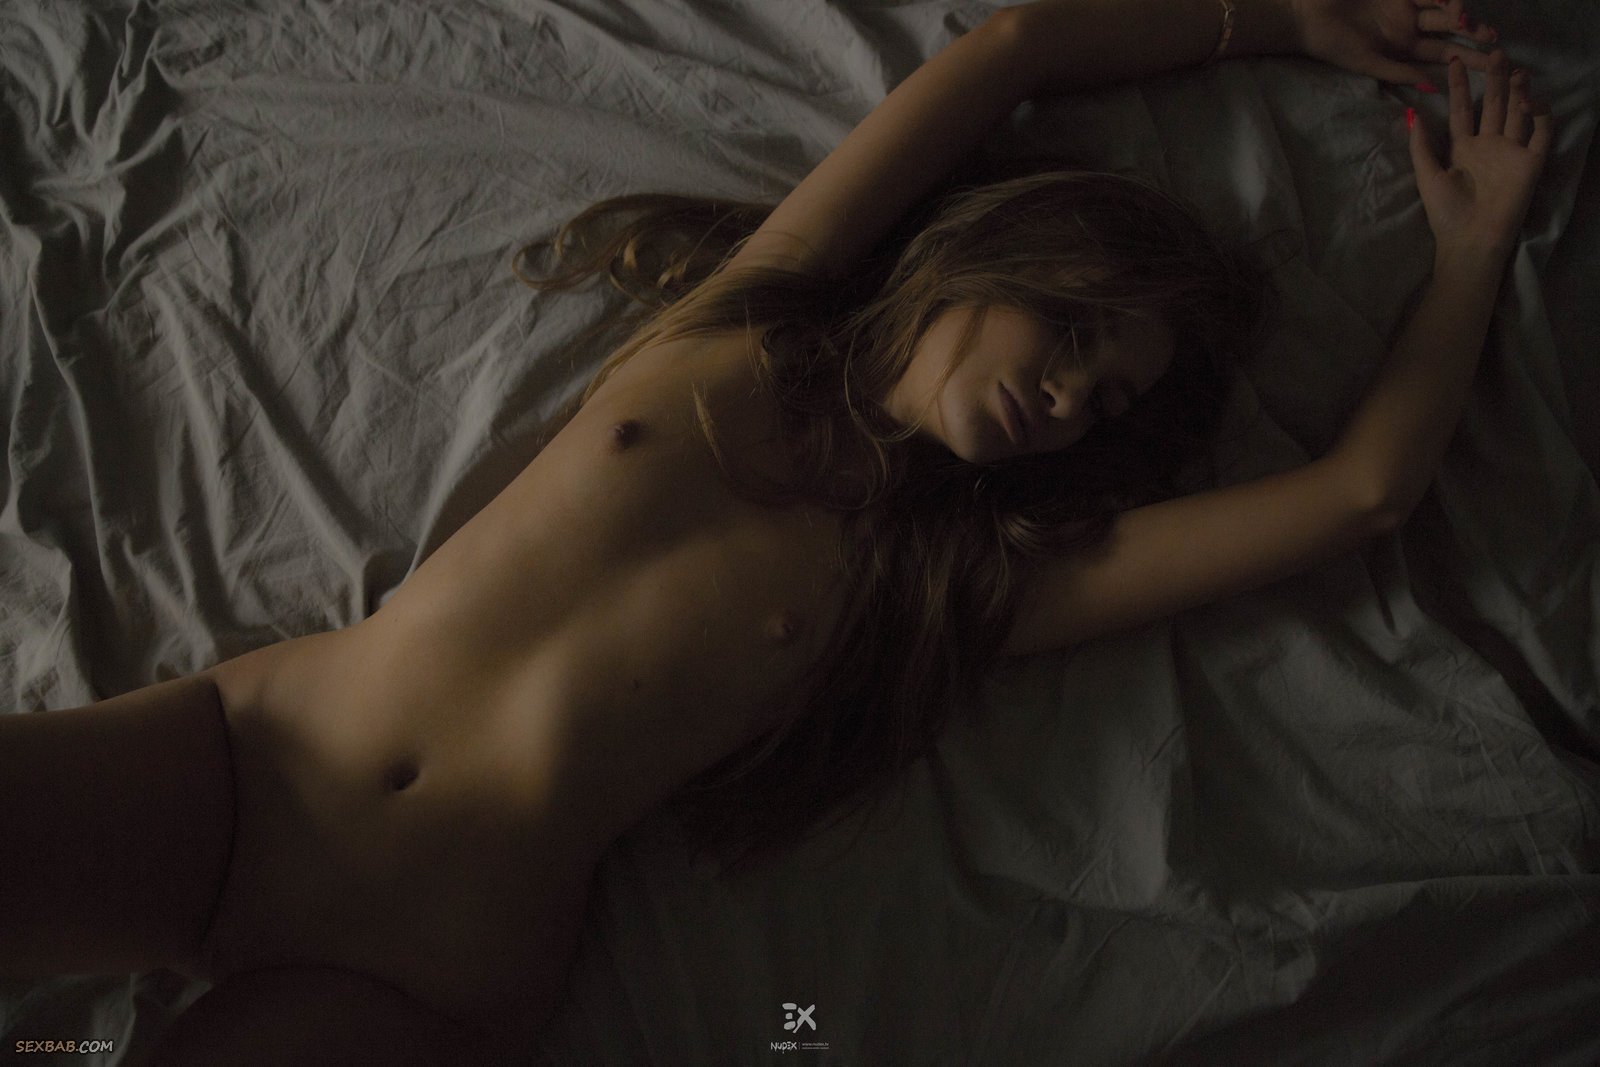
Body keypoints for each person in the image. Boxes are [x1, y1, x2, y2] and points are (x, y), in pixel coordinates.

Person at [0, 0, 1552, 1062]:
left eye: (1107, 403)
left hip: (421, 960)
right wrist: (1276, 19)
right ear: (999, 258)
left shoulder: (960, 582)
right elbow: (1010, 48)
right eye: (1075, 334)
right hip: (245, 763)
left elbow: (1364, 494)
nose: (1072, 400)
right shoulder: (753, 313)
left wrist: (1473, 245)